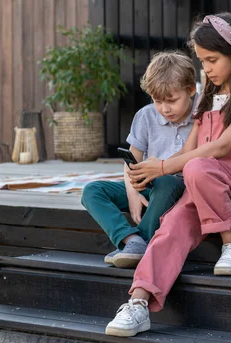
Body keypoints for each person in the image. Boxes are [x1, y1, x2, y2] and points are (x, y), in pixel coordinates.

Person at [104, 12, 231, 337]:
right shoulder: (206, 101)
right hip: (202, 187)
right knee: (170, 229)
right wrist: (148, 171)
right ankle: (138, 303)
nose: (206, 69)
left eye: (212, 60)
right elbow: (188, 153)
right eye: (201, 61)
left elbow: (223, 146)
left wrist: (166, 167)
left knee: (197, 167)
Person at [81, 51, 198, 268]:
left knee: (166, 181)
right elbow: (131, 161)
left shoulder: (203, 112)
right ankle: (131, 240)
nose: (164, 108)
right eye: (157, 101)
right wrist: (132, 194)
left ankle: (141, 241)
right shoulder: (146, 116)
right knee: (92, 191)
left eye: (172, 100)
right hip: (149, 187)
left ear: (191, 89)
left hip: (181, 187)